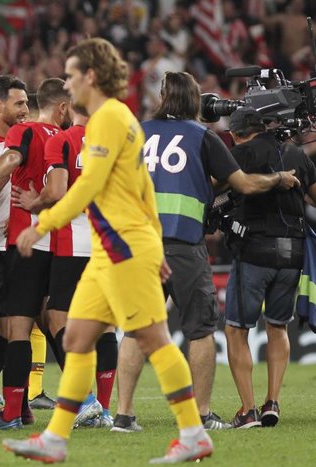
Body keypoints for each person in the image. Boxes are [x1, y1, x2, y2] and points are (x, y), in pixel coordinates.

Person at [2, 38, 212, 464]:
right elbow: (142, 190)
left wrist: (42, 223)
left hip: (124, 248)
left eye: (74, 74)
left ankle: (193, 433)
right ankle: (56, 438)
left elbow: (88, 186)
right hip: (112, 249)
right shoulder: (118, 119)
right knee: (77, 339)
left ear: (91, 76)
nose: (69, 83)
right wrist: (158, 240)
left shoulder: (110, 120)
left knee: (153, 338)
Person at [114, 72, 301, 433]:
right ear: (195, 101)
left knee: (137, 329)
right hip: (183, 244)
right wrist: (279, 178)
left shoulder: (136, 131)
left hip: (139, 243)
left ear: (163, 97)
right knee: (200, 330)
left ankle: (123, 416)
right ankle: (200, 414)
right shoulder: (202, 136)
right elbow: (244, 183)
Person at [0, 77, 69, 429]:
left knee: (11, 328)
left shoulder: (26, 135)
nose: (25, 110)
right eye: (19, 104)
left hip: (17, 244)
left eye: (26, 104)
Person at [12, 103, 119, 428]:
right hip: (110, 240)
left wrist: (34, 203)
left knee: (56, 315)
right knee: (106, 324)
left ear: (70, 107)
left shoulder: (63, 139)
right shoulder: (113, 139)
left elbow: (57, 190)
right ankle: (103, 405)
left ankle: (85, 400)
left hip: (73, 241)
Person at [224, 106, 315, 428]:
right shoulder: (296, 154)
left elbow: (219, 186)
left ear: (237, 133)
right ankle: (272, 401)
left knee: (237, 329)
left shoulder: (240, 153)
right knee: (277, 326)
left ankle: (248, 410)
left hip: (254, 251)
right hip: (292, 253)